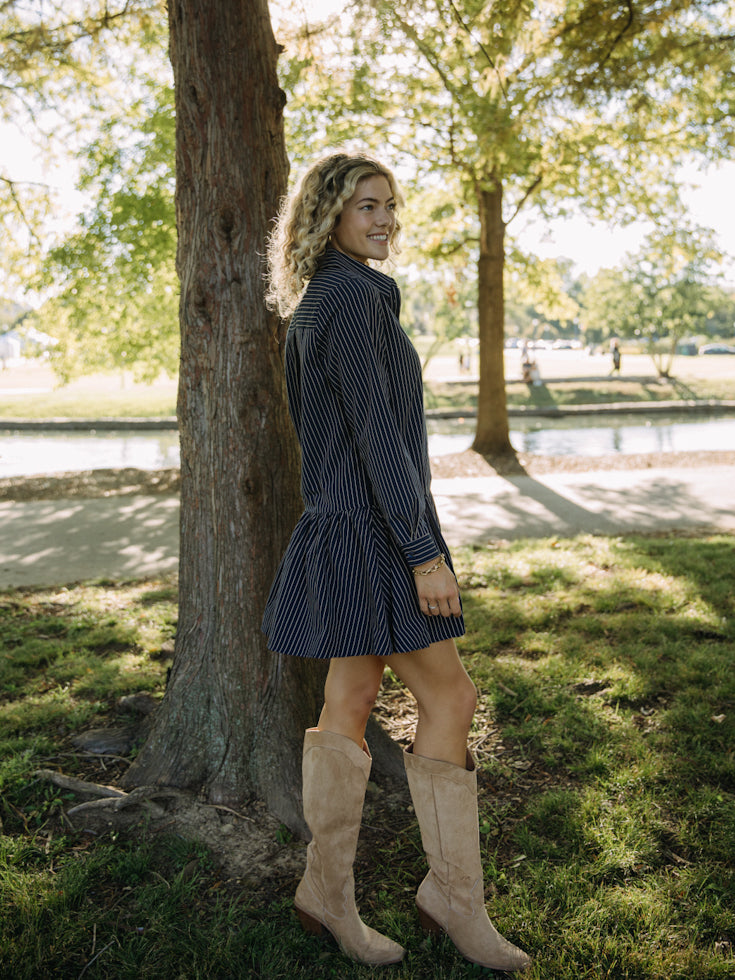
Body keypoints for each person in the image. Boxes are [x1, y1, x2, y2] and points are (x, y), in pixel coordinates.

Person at [262, 152, 530, 972]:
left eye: (389, 206)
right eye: (365, 206)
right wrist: (422, 553)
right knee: (450, 693)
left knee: (349, 697)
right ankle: (450, 896)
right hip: (376, 536)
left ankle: (324, 892)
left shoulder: (325, 297)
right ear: (328, 216)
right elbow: (379, 439)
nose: (383, 220)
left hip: (344, 527)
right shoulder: (350, 301)